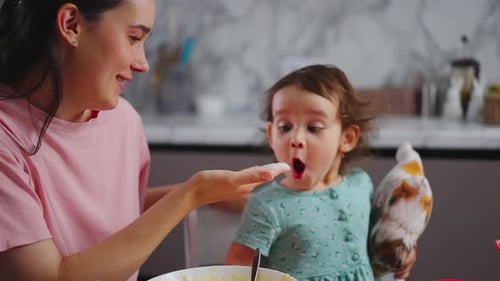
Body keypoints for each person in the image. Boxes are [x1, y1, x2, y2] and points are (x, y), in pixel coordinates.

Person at [0, 1, 290, 281]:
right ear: (71, 24)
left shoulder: (123, 120)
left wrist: (214, 195)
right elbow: (51, 276)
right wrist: (190, 195)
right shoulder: (5, 139)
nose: (143, 64)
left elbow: (116, 209)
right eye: (133, 37)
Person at [224, 64, 417, 281]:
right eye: (285, 127)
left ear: (347, 138)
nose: (296, 139)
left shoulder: (361, 185)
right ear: (271, 135)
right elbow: (235, 269)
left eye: (314, 127)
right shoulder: (267, 205)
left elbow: (377, 239)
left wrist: (401, 254)